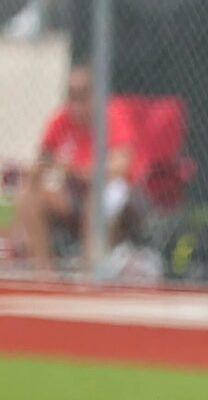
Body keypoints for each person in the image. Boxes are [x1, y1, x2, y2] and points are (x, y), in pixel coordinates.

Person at [13, 64, 139, 273]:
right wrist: (31, 175)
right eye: (71, 95)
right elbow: (43, 161)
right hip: (71, 191)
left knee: (97, 201)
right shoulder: (61, 119)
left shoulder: (113, 114)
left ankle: (90, 273)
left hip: (106, 189)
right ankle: (45, 273)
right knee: (29, 196)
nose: (76, 103)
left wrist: (76, 169)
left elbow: (121, 166)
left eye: (83, 95)